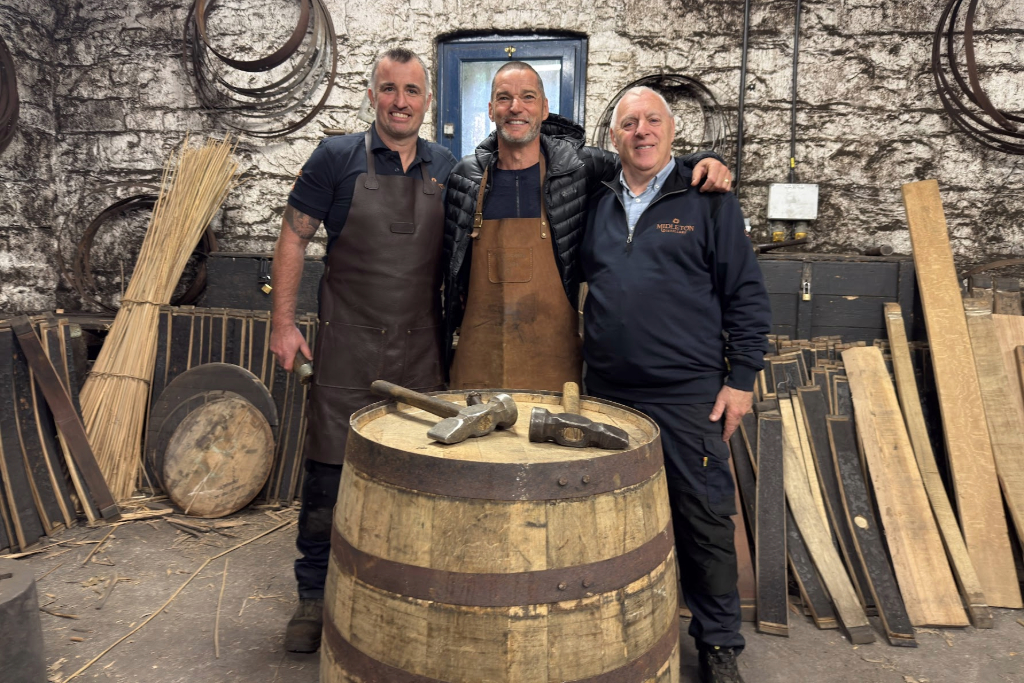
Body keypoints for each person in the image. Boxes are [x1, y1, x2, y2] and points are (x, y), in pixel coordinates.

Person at [268, 47, 457, 653]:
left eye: (412, 90)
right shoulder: (335, 157)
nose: (400, 101)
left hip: (423, 352)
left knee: (418, 478)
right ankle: (312, 597)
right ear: (371, 94)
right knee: (326, 478)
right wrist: (283, 323)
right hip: (345, 349)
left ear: (427, 101)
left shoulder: (448, 169)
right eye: (388, 89)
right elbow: (292, 238)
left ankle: (399, 590)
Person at [580, 86, 770, 683]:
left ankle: (718, 645)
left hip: (688, 394)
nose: (641, 131)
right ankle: (616, 630)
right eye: (628, 122)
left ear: (672, 130)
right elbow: (548, 138)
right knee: (609, 521)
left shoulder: (707, 197)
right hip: (608, 393)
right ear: (613, 138)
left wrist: (741, 379)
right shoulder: (598, 199)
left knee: (703, 520)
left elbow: (746, 294)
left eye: (652, 120)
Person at [443, 62, 733, 391]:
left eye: (528, 97)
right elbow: (450, 270)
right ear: (492, 109)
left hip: (551, 358)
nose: (516, 107)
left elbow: (645, 163)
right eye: (504, 98)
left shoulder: (578, 166)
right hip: (479, 360)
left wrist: (703, 160)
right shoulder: (465, 176)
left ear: (545, 108)